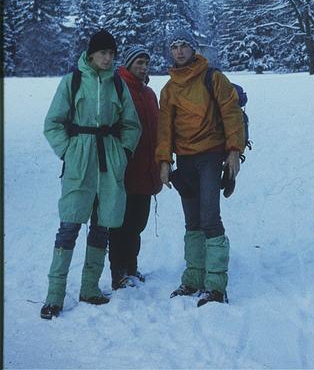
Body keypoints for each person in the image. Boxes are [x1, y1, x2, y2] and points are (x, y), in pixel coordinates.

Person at [40, 29, 141, 320]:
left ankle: (89, 287)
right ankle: (54, 295)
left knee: (102, 225)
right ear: (91, 53)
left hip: (109, 158)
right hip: (80, 158)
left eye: (112, 53)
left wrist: (123, 153)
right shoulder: (72, 81)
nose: (108, 58)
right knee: (69, 225)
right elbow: (53, 123)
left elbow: (131, 125)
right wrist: (67, 151)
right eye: (103, 53)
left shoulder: (118, 84)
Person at [156, 27, 245, 307]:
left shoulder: (213, 78)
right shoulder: (169, 89)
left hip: (210, 155)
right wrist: (163, 162)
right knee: (192, 220)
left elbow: (231, 115)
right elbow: (164, 130)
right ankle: (193, 277)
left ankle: (216, 285)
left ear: (194, 49)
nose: (179, 50)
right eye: (174, 46)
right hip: (184, 159)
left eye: (184, 45)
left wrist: (233, 152)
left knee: (209, 218)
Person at [108, 45, 161, 290]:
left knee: (138, 222)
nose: (143, 67)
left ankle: (131, 266)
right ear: (128, 64)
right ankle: (118, 272)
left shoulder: (149, 93)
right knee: (121, 224)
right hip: (125, 169)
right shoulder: (118, 88)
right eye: (138, 62)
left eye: (146, 63)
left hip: (146, 169)